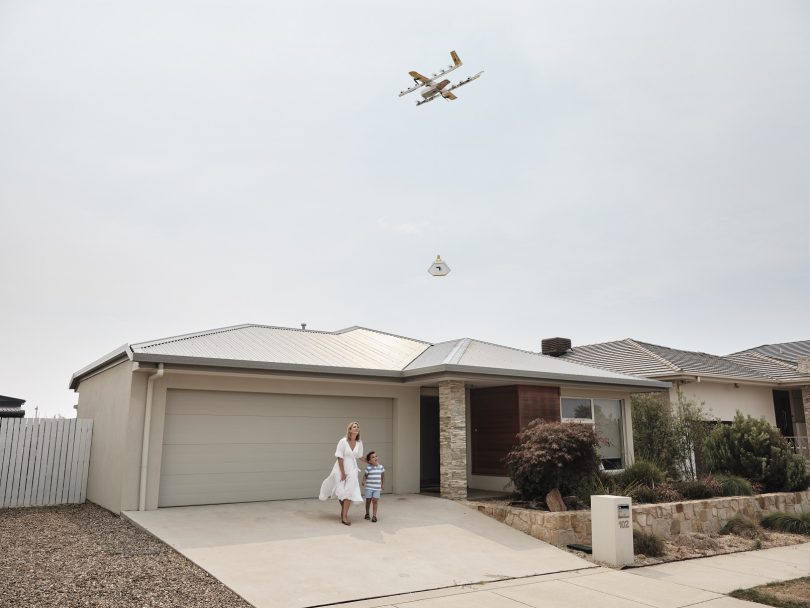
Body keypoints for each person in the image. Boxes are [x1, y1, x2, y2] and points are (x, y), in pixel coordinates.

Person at [319, 421, 365, 525]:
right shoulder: (343, 441)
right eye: (354, 427)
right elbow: (339, 457)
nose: (356, 428)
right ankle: (344, 512)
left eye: (357, 427)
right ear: (349, 429)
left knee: (348, 492)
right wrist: (343, 473)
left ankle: (344, 517)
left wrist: (370, 461)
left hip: (353, 469)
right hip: (340, 468)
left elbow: (360, 456)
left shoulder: (359, 443)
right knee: (340, 491)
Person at [362, 451, 385, 522]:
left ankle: (374, 516)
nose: (375, 457)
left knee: (375, 501)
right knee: (368, 500)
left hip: (377, 488)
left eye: (376, 456)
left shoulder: (381, 467)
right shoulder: (368, 468)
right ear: (369, 461)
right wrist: (363, 481)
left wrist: (382, 484)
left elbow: (383, 476)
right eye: (373, 457)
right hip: (369, 487)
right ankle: (367, 513)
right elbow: (365, 476)